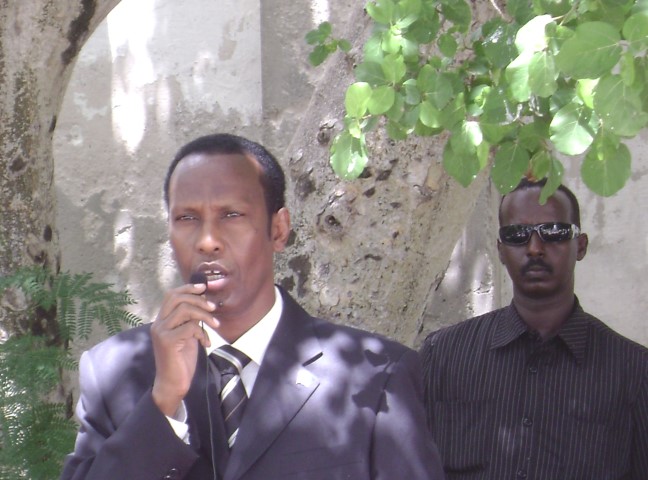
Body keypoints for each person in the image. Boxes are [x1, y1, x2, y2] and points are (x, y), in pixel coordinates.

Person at [61, 133, 445, 480]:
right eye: (187, 218)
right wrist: (163, 401)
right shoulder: (113, 370)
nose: (207, 240)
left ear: (278, 229)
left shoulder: (375, 374)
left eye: (232, 215)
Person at [420, 178, 648, 479]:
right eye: (517, 235)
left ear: (580, 246)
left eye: (554, 232)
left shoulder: (633, 370)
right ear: (501, 250)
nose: (535, 248)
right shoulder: (444, 355)